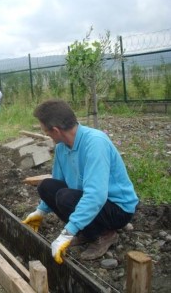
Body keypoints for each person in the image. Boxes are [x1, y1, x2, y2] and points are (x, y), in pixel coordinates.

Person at [22, 99, 139, 263]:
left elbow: (96, 195)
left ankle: (104, 235)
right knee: (46, 186)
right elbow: (57, 181)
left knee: (65, 197)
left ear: (55, 130)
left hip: (117, 208)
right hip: (93, 202)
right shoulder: (62, 147)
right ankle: (86, 230)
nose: (46, 134)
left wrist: (68, 232)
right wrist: (40, 211)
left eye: (46, 131)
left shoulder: (95, 143)